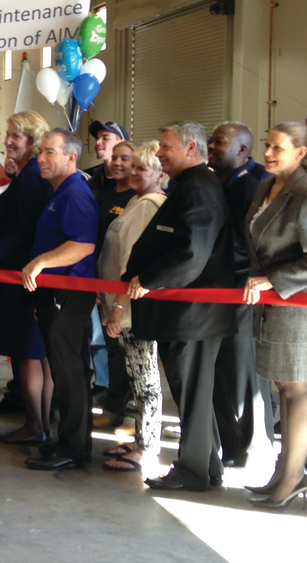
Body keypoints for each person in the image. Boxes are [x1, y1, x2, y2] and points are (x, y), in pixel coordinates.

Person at [125, 121, 235, 491]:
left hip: (193, 314)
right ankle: (208, 465)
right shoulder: (191, 186)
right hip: (188, 313)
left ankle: (192, 472)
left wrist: (148, 279)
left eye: (166, 147)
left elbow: (192, 252)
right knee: (195, 394)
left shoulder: (199, 188)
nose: (159, 153)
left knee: (192, 394)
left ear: (191, 148)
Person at [0, 111, 52, 445]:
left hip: (20, 279)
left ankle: (35, 426)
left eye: (15, 135)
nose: (8, 141)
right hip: (24, 277)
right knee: (38, 355)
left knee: (29, 355)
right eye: (8, 134)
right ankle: (41, 424)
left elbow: (24, 230)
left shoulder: (31, 177)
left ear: (32, 140)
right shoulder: (30, 174)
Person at [20, 128, 97, 471]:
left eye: (50, 152)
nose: (42, 158)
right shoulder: (60, 192)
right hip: (55, 294)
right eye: (40, 152)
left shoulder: (75, 194)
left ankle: (73, 448)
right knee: (67, 370)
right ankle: (71, 440)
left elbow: (83, 244)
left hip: (69, 293)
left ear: (71, 157)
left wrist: (41, 262)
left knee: (69, 373)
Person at [243, 122, 307, 508]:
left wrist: (271, 280)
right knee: (285, 390)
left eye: (277, 148)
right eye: (267, 145)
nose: (267, 153)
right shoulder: (267, 186)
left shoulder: (304, 191)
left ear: (301, 153)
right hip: (272, 302)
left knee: (297, 391)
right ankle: (284, 472)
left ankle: (293, 478)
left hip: (295, 304)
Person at [99, 141, 167, 472]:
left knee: (144, 378)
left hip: (130, 309)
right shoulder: (135, 201)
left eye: (143, 168)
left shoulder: (148, 206)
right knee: (135, 375)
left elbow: (132, 262)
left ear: (160, 173)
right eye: (135, 166)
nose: (135, 172)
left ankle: (146, 446)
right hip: (118, 301)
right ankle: (142, 436)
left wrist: (119, 308)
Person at [208, 121, 272, 467]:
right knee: (221, 369)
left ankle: (251, 447)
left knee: (242, 370)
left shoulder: (253, 186)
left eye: (219, 142)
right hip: (219, 289)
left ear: (242, 151)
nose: (212, 147)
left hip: (240, 289)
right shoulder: (219, 181)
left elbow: (249, 244)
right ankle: (230, 444)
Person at [93, 139, 138, 429]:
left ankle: (133, 411)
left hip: (128, 290)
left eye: (126, 159)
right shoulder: (105, 196)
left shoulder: (139, 200)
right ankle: (114, 406)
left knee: (131, 352)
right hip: (104, 284)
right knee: (111, 349)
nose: (118, 163)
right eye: (115, 158)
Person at [84, 121, 129, 201]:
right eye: (97, 138)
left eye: (105, 138)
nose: (97, 142)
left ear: (121, 143)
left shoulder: (133, 181)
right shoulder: (90, 182)